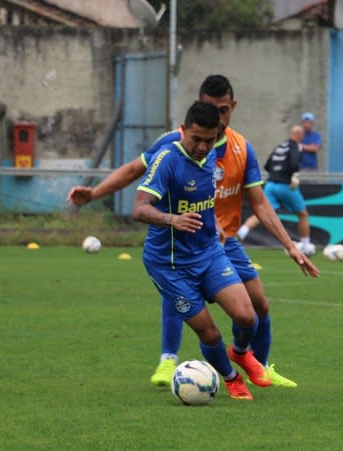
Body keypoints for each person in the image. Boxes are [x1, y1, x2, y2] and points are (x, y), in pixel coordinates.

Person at [68, 75, 319, 387]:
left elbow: (261, 204)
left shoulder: (241, 148)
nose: (217, 116)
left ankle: (257, 363)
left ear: (232, 108)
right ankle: (169, 360)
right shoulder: (173, 146)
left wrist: (290, 245)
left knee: (257, 305)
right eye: (209, 108)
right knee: (189, 307)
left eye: (222, 110)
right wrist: (94, 194)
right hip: (180, 245)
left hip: (217, 241)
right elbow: (135, 171)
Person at [132, 101, 269, 400]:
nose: (202, 147)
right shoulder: (167, 159)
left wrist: (215, 224)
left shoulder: (209, 159)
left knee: (248, 316)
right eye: (196, 139)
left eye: (209, 140)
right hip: (169, 265)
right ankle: (232, 380)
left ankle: (241, 353)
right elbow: (139, 208)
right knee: (210, 334)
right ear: (183, 131)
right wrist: (172, 219)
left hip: (207, 251)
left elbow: (204, 199)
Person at [237, 125, 316, 256]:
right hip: (286, 186)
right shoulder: (295, 145)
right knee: (303, 214)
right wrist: (295, 174)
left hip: (270, 185)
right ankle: (306, 247)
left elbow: (267, 165)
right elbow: (295, 162)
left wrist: (276, 173)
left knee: (260, 213)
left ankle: (241, 233)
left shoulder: (280, 146)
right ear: (299, 135)